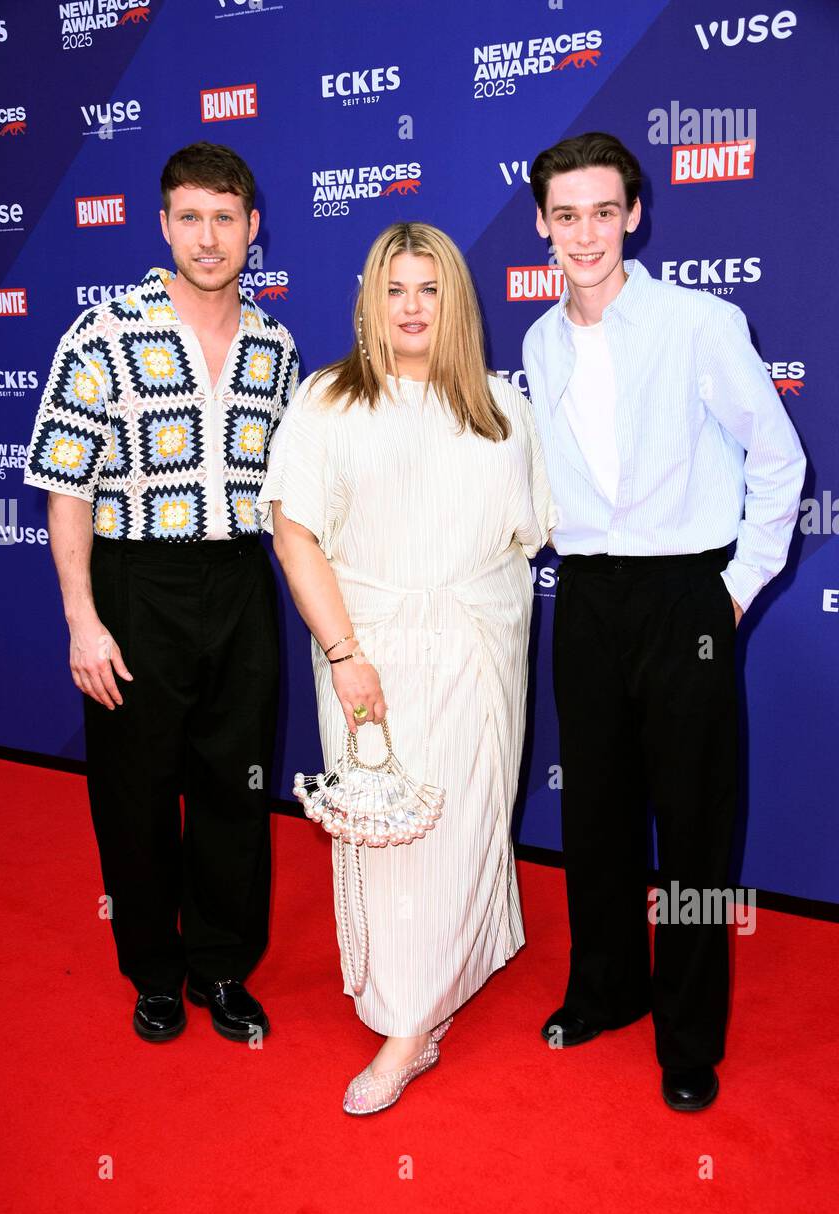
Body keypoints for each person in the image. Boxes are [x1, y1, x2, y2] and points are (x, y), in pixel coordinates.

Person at [522, 132, 806, 1110]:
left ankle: (689, 1036)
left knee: (693, 828)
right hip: (590, 596)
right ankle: (607, 987)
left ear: (634, 215)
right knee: (594, 815)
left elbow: (779, 461)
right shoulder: (538, 340)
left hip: (688, 592)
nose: (586, 232)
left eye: (605, 211)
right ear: (542, 225)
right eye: (567, 215)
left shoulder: (698, 323)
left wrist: (734, 586)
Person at [257, 221, 557, 1114]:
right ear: (370, 302)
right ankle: (409, 994)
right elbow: (293, 532)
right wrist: (347, 655)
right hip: (368, 649)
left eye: (430, 289)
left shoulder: (503, 409)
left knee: (467, 817)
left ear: (454, 301)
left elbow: (529, 532)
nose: (413, 307)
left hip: (475, 647)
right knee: (389, 833)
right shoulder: (327, 401)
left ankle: (410, 1031)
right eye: (396, 290)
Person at [24, 142, 298, 1044]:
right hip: (136, 582)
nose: (208, 237)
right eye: (190, 217)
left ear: (252, 228)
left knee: (234, 785)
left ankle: (220, 967)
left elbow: (294, 496)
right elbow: (66, 487)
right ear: (163, 226)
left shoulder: (276, 345)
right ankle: (152, 970)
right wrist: (82, 619)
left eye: (225, 217)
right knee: (135, 791)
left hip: (240, 583)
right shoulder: (103, 333)